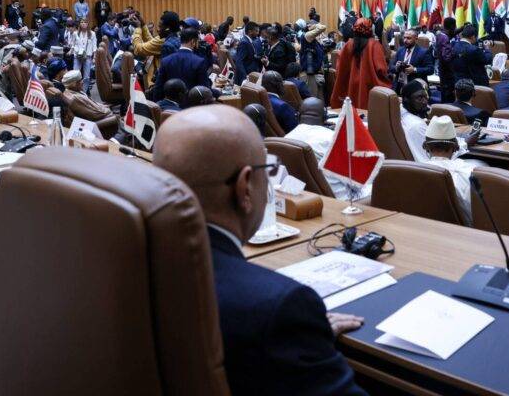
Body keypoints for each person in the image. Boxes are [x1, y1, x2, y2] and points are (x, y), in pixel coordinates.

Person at [154, 107, 365, 396]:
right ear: (244, 188)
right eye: (266, 170)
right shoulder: (281, 307)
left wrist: (302, 345)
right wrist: (301, 336)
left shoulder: (119, 268)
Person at [284, 98, 363, 199]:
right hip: (343, 200)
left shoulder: (287, 138)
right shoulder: (333, 139)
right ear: (325, 117)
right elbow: (356, 183)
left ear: (297, 116)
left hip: (305, 197)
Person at [420, 116, 485, 225]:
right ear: (455, 147)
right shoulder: (470, 172)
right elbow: (477, 214)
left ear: (426, 147)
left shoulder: (414, 170)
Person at [328, 18, 391, 110]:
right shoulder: (374, 45)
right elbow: (382, 69)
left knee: (352, 113)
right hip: (369, 86)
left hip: (350, 84)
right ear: (370, 30)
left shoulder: (348, 45)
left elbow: (339, 67)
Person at [67, 19, 95, 89]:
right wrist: (70, 51)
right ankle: (75, 90)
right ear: (79, 24)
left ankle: (84, 91)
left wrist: (94, 57)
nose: (83, 24)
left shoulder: (92, 33)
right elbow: (73, 44)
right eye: (82, 22)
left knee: (86, 76)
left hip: (87, 56)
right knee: (75, 75)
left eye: (85, 22)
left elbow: (94, 46)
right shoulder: (75, 33)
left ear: (88, 24)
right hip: (77, 56)